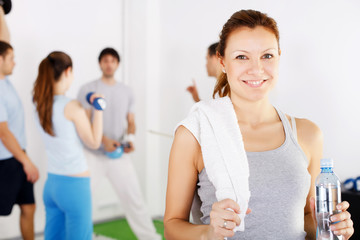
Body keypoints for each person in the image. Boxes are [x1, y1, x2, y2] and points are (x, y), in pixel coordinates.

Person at [164, 9, 354, 240]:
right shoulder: (195, 134)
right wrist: (208, 233)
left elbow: (305, 218)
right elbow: (172, 226)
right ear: (222, 61)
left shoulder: (308, 135)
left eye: (267, 56)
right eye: (242, 57)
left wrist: (330, 228)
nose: (256, 69)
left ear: (279, 57)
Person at [77, 47, 162, 240]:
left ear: (117, 64)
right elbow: (84, 123)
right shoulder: (88, 89)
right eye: (105, 60)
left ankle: (150, 237)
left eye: (112, 61)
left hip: (118, 154)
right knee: (81, 200)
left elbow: (131, 121)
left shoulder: (127, 91)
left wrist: (130, 139)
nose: (109, 64)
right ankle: (81, 236)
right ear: (100, 63)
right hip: (92, 153)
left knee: (134, 199)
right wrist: (103, 141)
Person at [32, 51, 103, 239]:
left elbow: (68, 134)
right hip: (75, 188)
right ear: (68, 71)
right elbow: (94, 142)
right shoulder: (71, 106)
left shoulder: (39, 104)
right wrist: (99, 108)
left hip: (52, 185)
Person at [0, 3, 39, 240]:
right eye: (11, 58)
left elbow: (5, 40)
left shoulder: (6, 83)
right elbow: (3, 132)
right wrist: (27, 162)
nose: (15, 62)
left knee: (28, 206)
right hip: (5, 160)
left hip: (17, 156)